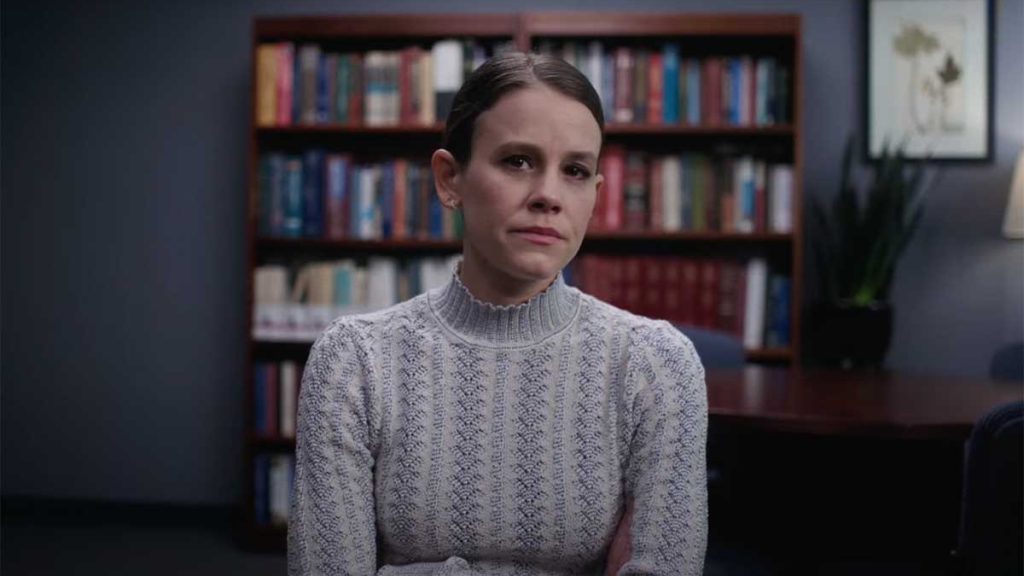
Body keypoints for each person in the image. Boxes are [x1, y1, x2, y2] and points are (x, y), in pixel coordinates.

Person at [288, 51, 708, 576]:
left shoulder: (657, 364)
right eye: (518, 161)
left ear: (595, 196)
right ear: (450, 179)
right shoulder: (354, 360)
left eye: (575, 171)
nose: (549, 196)